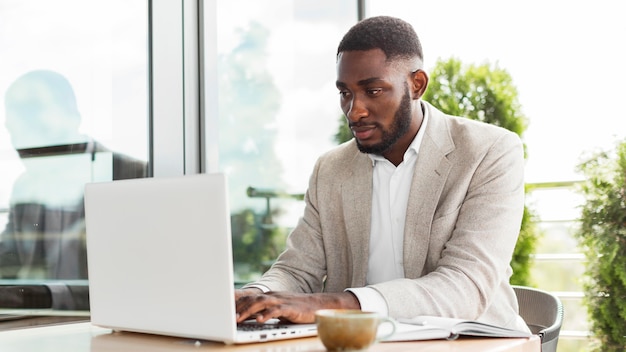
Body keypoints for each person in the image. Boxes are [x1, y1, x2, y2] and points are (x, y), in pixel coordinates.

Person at [235, 16, 529, 332]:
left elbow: (465, 286)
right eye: (345, 93)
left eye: (373, 91)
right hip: (363, 343)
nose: (354, 111)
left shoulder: (489, 151)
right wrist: (255, 296)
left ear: (417, 85)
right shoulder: (331, 169)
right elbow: (297, 270)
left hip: (471, 341)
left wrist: (337, 305)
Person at [0, 70, 146, 281]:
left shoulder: (132, 175)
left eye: (32, 109)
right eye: (14, 124)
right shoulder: (25, 187)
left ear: (73, 116)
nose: (21, 125)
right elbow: (10, 255)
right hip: (44, 311)